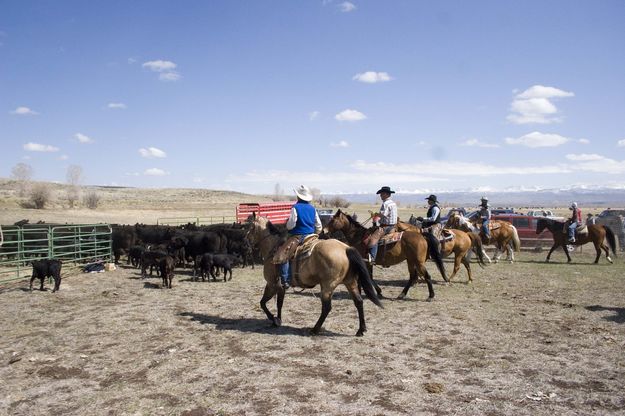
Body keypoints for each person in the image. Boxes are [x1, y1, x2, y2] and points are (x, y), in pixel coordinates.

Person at [279, 185, 322, 289]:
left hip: (298, 236)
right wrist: (316, 233)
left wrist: (288, 227)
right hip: (312, 236)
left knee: (284, 254)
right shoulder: (313, 209)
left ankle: (286, 280)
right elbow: (319, 225)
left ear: (298, 197)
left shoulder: (295, 208)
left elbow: (291, 224)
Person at [367, 186, 398, 264]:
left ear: (386, 194)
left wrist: (375, 214)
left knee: (373, 239)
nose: (380, 195)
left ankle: (372, 258)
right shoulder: (393, 203)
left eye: (382, 194)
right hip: (393, 226)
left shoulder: (385, 203)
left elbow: (383, 214)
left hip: (386, 227)